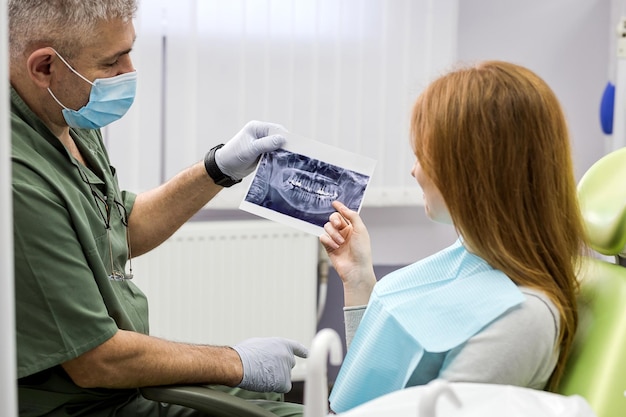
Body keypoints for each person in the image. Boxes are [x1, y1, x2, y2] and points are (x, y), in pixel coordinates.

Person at [9, 1, 307, 416]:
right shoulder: (16, 181)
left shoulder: (65, 116)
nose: (130, 71)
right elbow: (96, 360)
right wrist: (235, 363)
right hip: (85, 403)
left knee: (279, 402)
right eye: (112, 61)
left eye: (129, 51)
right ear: (44, 68)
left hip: (124, 382)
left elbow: (119, 227)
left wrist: (217, 169)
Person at [320, 61, 588, 413]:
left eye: (423, 156)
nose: (413, 171)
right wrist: (358, 278)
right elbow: (377, 380)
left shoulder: (523, 317)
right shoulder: (471, 259)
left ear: (473, 169)